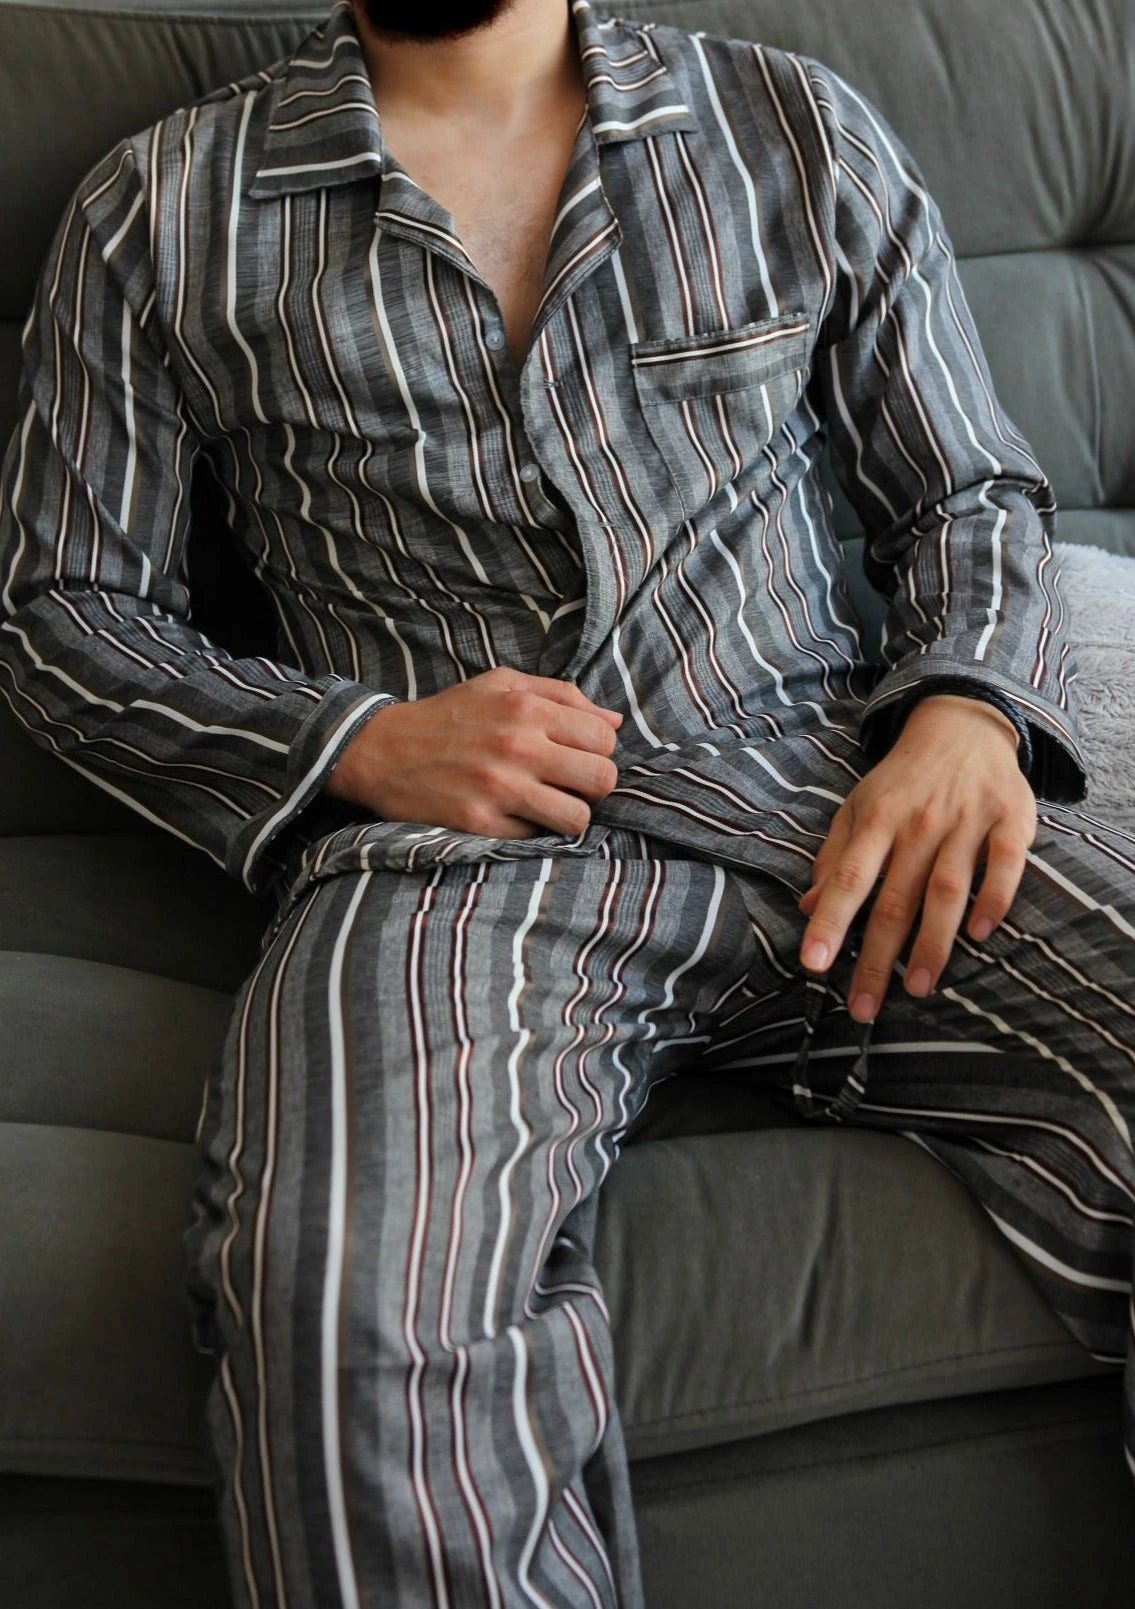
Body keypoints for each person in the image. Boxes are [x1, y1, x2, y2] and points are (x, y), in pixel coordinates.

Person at [0, 0, 1132, 1602]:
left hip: (828, 791)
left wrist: (964, 710)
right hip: (449, 871)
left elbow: (965, 490)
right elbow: (61, 612)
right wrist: (355, 742)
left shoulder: (790, 127)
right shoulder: (165, 204)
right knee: (347, 1305)